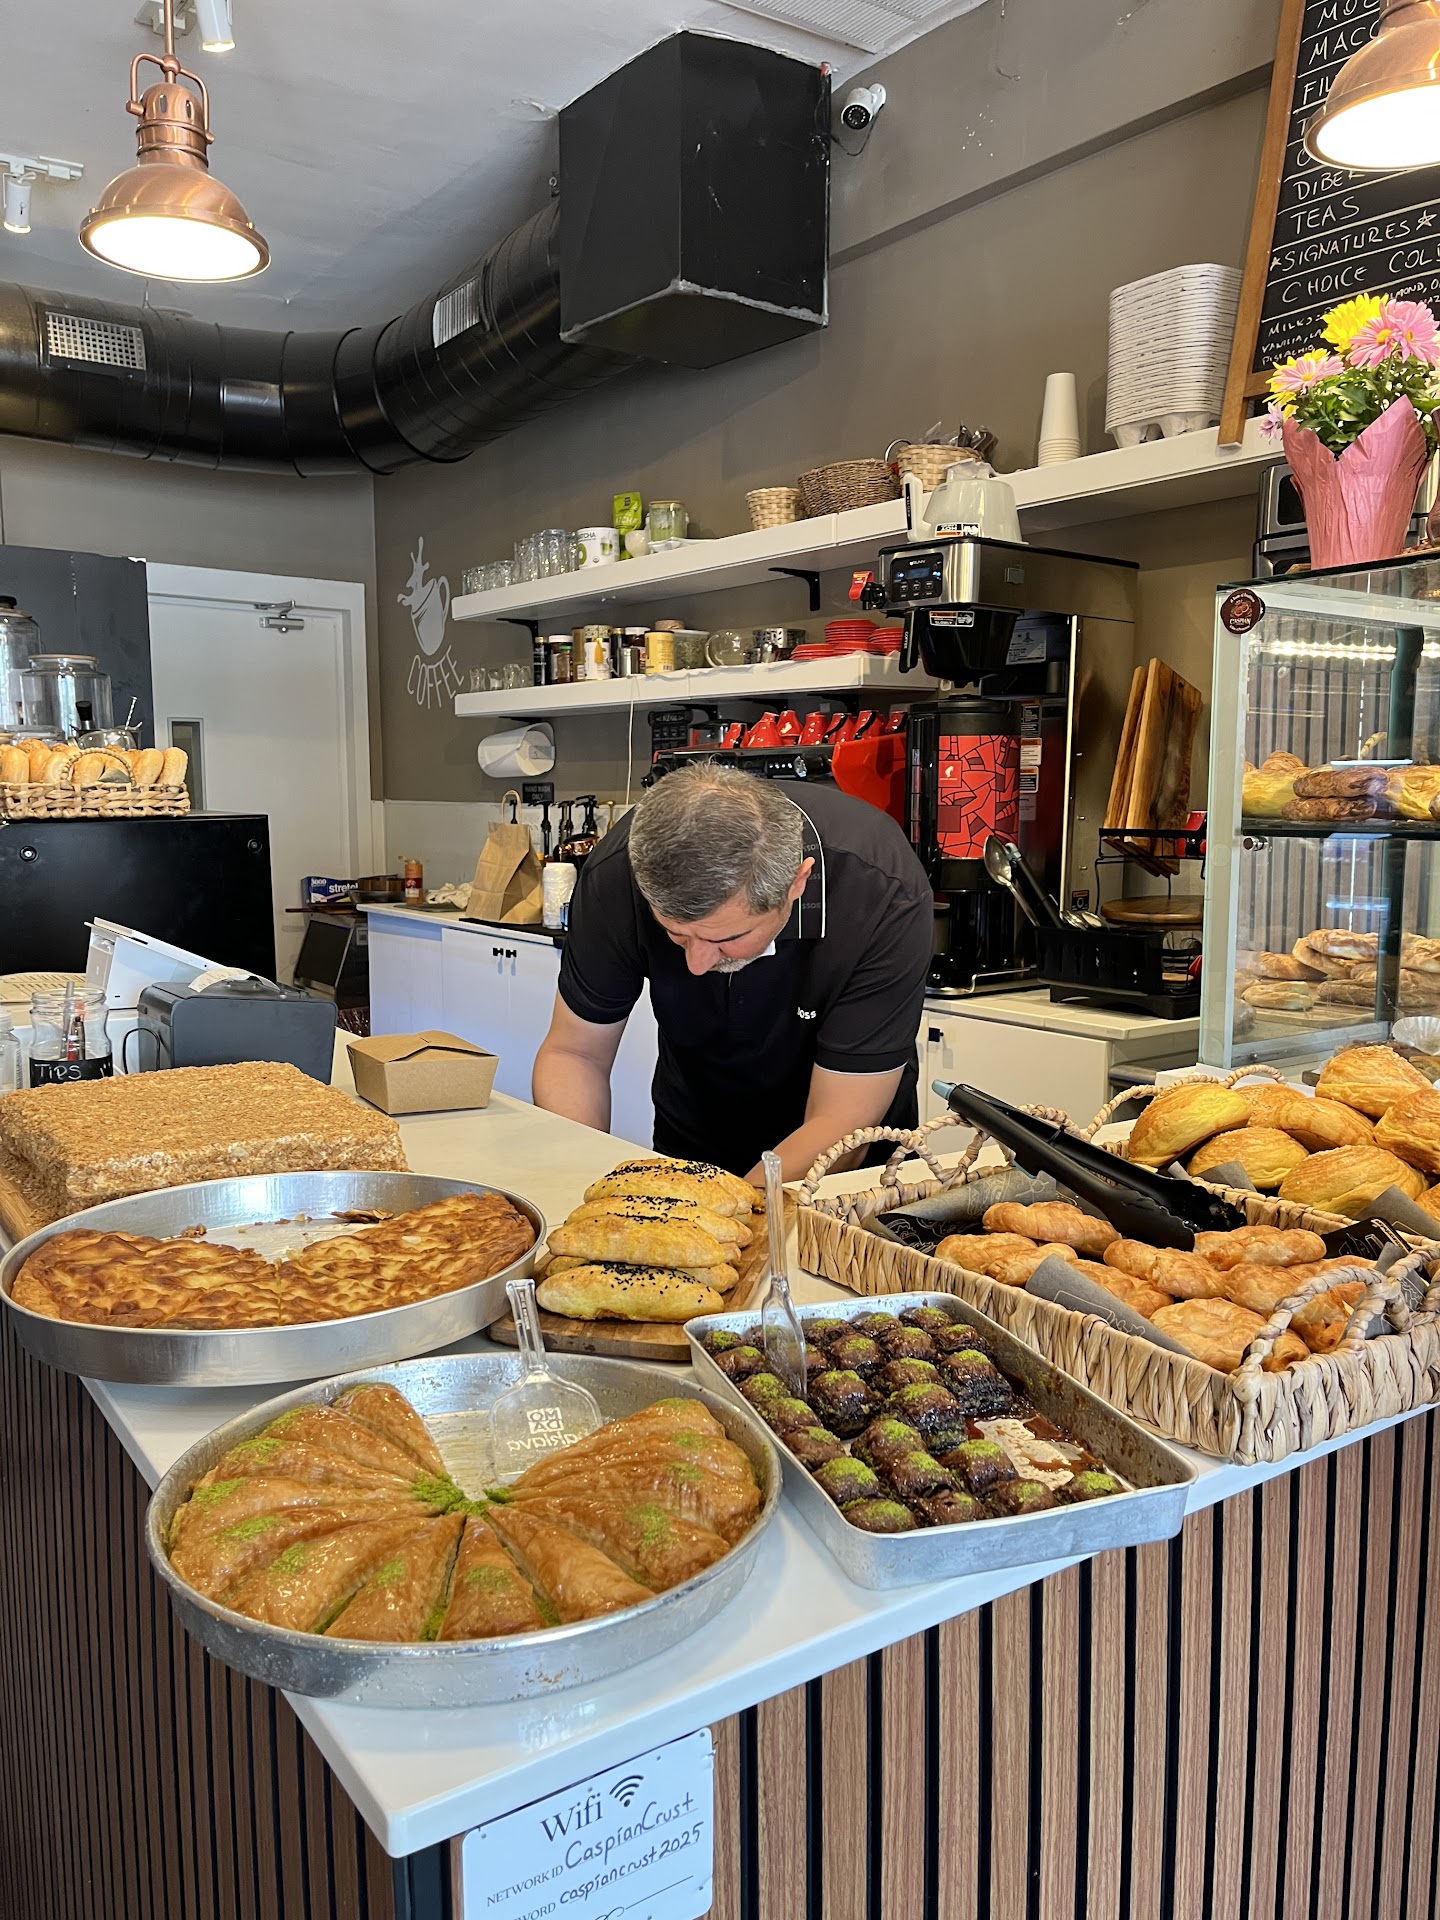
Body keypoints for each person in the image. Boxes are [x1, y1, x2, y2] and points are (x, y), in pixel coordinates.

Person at [531, 762, 934, 1181]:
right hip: (691, 1136)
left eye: (726, 939)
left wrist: (741, 1209)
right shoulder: (619, 872)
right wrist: (582, 1182)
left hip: (846, 1171)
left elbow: (842, 1122)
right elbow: (575, 1054)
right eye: (676, 934)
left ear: (797, 883)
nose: (696, 964)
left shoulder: (880, 888)